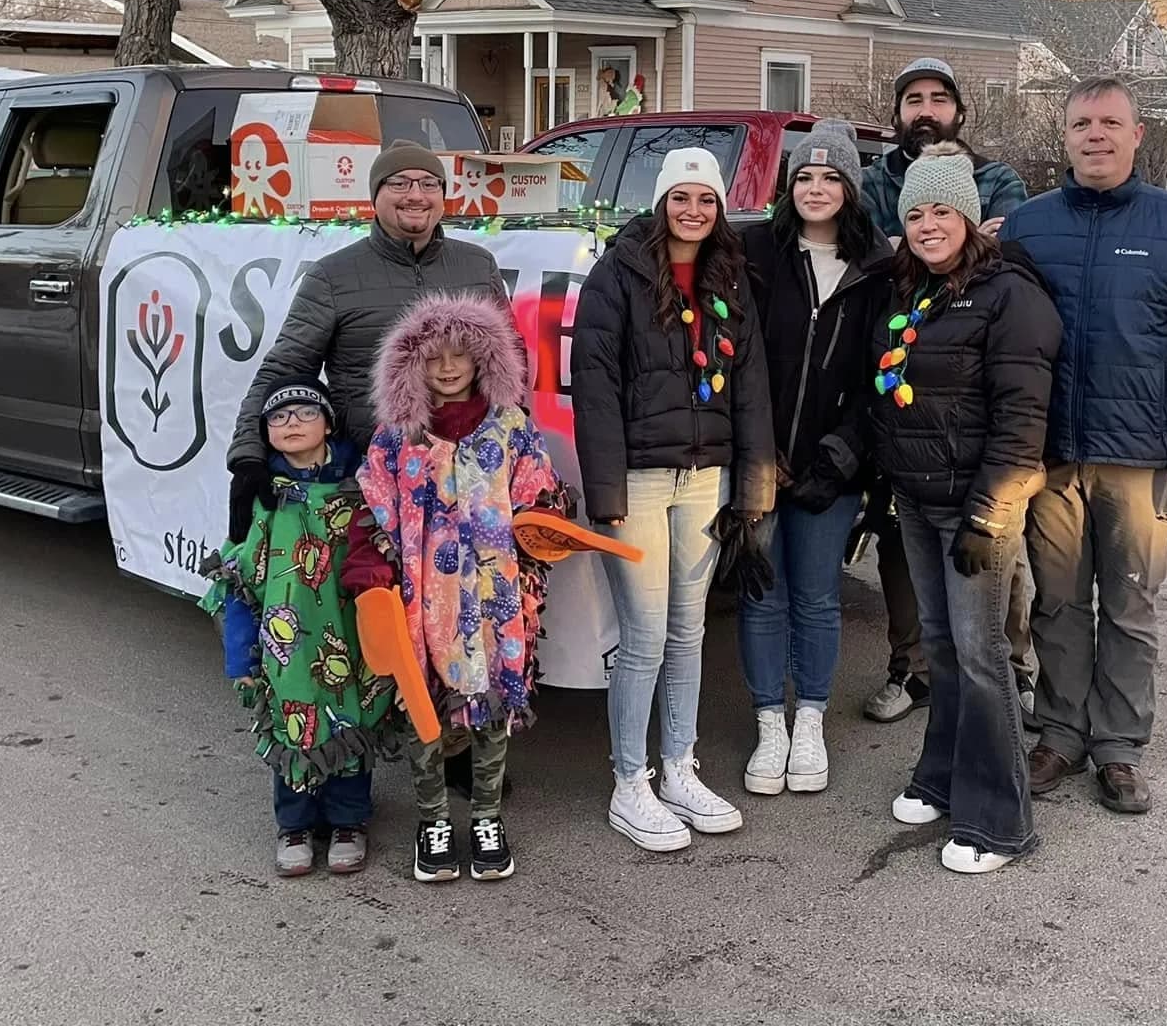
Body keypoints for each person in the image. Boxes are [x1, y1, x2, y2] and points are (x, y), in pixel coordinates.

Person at [229, 139, 508, 805]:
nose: (415, 196)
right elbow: (285, 368)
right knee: (395, 625)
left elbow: (507, 367)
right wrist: (246, 454)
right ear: (374, 196)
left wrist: (517, 456)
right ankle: (389, 752)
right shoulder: (335, 275)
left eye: (428, 185)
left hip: (465, 480)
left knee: (465, 619)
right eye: (400, 184)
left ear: (445, 196)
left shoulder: (476, 264)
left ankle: (462, 749)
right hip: (377, 485)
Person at [998, 77, 1167, 816]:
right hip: (1053, 457)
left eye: (1111, 122)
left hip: (1141, 455)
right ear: (1065, 137)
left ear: (1139, 135)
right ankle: (1061, 733)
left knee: (1131, 606)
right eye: (1082, 123)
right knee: (1059, 604)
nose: (1095, 135)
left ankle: (1119, 746)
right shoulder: (1028, 228)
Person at [571, 146, 774, 852]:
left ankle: (678, 767)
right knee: (646, 636)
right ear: (661, 203)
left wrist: (753, 486)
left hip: (707, 479)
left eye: (707, 200)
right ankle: (631, 783)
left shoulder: (730, 279)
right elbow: (593, 388)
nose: (694, 211)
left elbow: (750, 389)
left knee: (690, 633)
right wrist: (607, 493)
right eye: (682, 198)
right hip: (639, 481)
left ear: (720, 210)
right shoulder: (616, 276)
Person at [863, 143, 1059, 873]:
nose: (926, 224)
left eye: (942, 210)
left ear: (970, 216)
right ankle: (942, 775)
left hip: (977, 510)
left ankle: (999, 817)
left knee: (983, 659)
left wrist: (988, 515)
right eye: (914, 213)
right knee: (941, 650)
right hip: (916, 500)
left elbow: (1021, 420)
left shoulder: (1009, 295)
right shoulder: (912, 290)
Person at [351, 292, 562, 883]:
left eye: (460, 354)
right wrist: (374, 573)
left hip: (497, 597)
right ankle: (433, 820)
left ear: (482, 359)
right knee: (424, 703)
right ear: (412, 364)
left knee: (494, 697)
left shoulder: (512, 427)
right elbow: (373, 507)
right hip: (425, 601)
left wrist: (548, 524)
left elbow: (538, 498)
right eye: (434, 356)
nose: (447, 367)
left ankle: (487, 817)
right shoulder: (397, 439)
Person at [855, 59, 1030, 726]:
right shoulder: (874, 179)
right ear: (897, 112)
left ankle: (1013, 673)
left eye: (938, 99)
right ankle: (914, 669)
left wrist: (917, 243)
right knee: (903, 545)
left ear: (959, 110)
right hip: (901, 383)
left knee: (992, 557)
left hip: (970, 388)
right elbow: (874, 252)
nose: (925, 110)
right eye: (912, 100)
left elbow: (999, 253)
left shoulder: (998, 178)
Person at [736, 120, 891, 795]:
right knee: (763, 594)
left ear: (851, 189)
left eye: (831, 177)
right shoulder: (756, 252)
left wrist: (839, 456)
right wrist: (758, 452)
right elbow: (739, 359)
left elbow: (886, 374)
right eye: (805, 176)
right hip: (761, 462)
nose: (817, 188)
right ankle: (770, 719)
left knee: (819, 597)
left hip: (834, 467)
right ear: (788, 186)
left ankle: (810, 719)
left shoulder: (879, 269)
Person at [201, 377, 393, 878]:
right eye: (278, 417)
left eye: (304, 413)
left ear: (328, 423)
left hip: (349, 634)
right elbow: (239, 580)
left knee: (353, 721)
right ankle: (295, 825)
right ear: (264, 432)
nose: (291, 424)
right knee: (296, 725)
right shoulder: (260, 495)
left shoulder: (362, 487)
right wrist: (240, 656)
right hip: (287, 649)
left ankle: (349, 821)